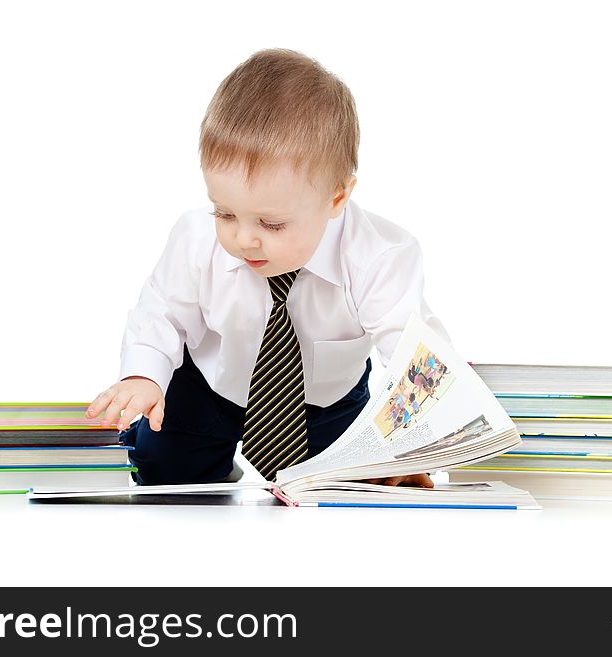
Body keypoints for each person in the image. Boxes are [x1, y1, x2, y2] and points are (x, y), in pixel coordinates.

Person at [86, 48, 450, 487]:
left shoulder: (379, 255)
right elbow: (161, 313)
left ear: (336, 197)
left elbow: (417, 353)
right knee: (162, 468)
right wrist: (143, 375)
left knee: (344, 486)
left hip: (324, 402)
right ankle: (198, 455)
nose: (244, 239)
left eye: (271, 223)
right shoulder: (196, 238)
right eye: (225, 213)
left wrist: (411, 447)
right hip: (208, 387)